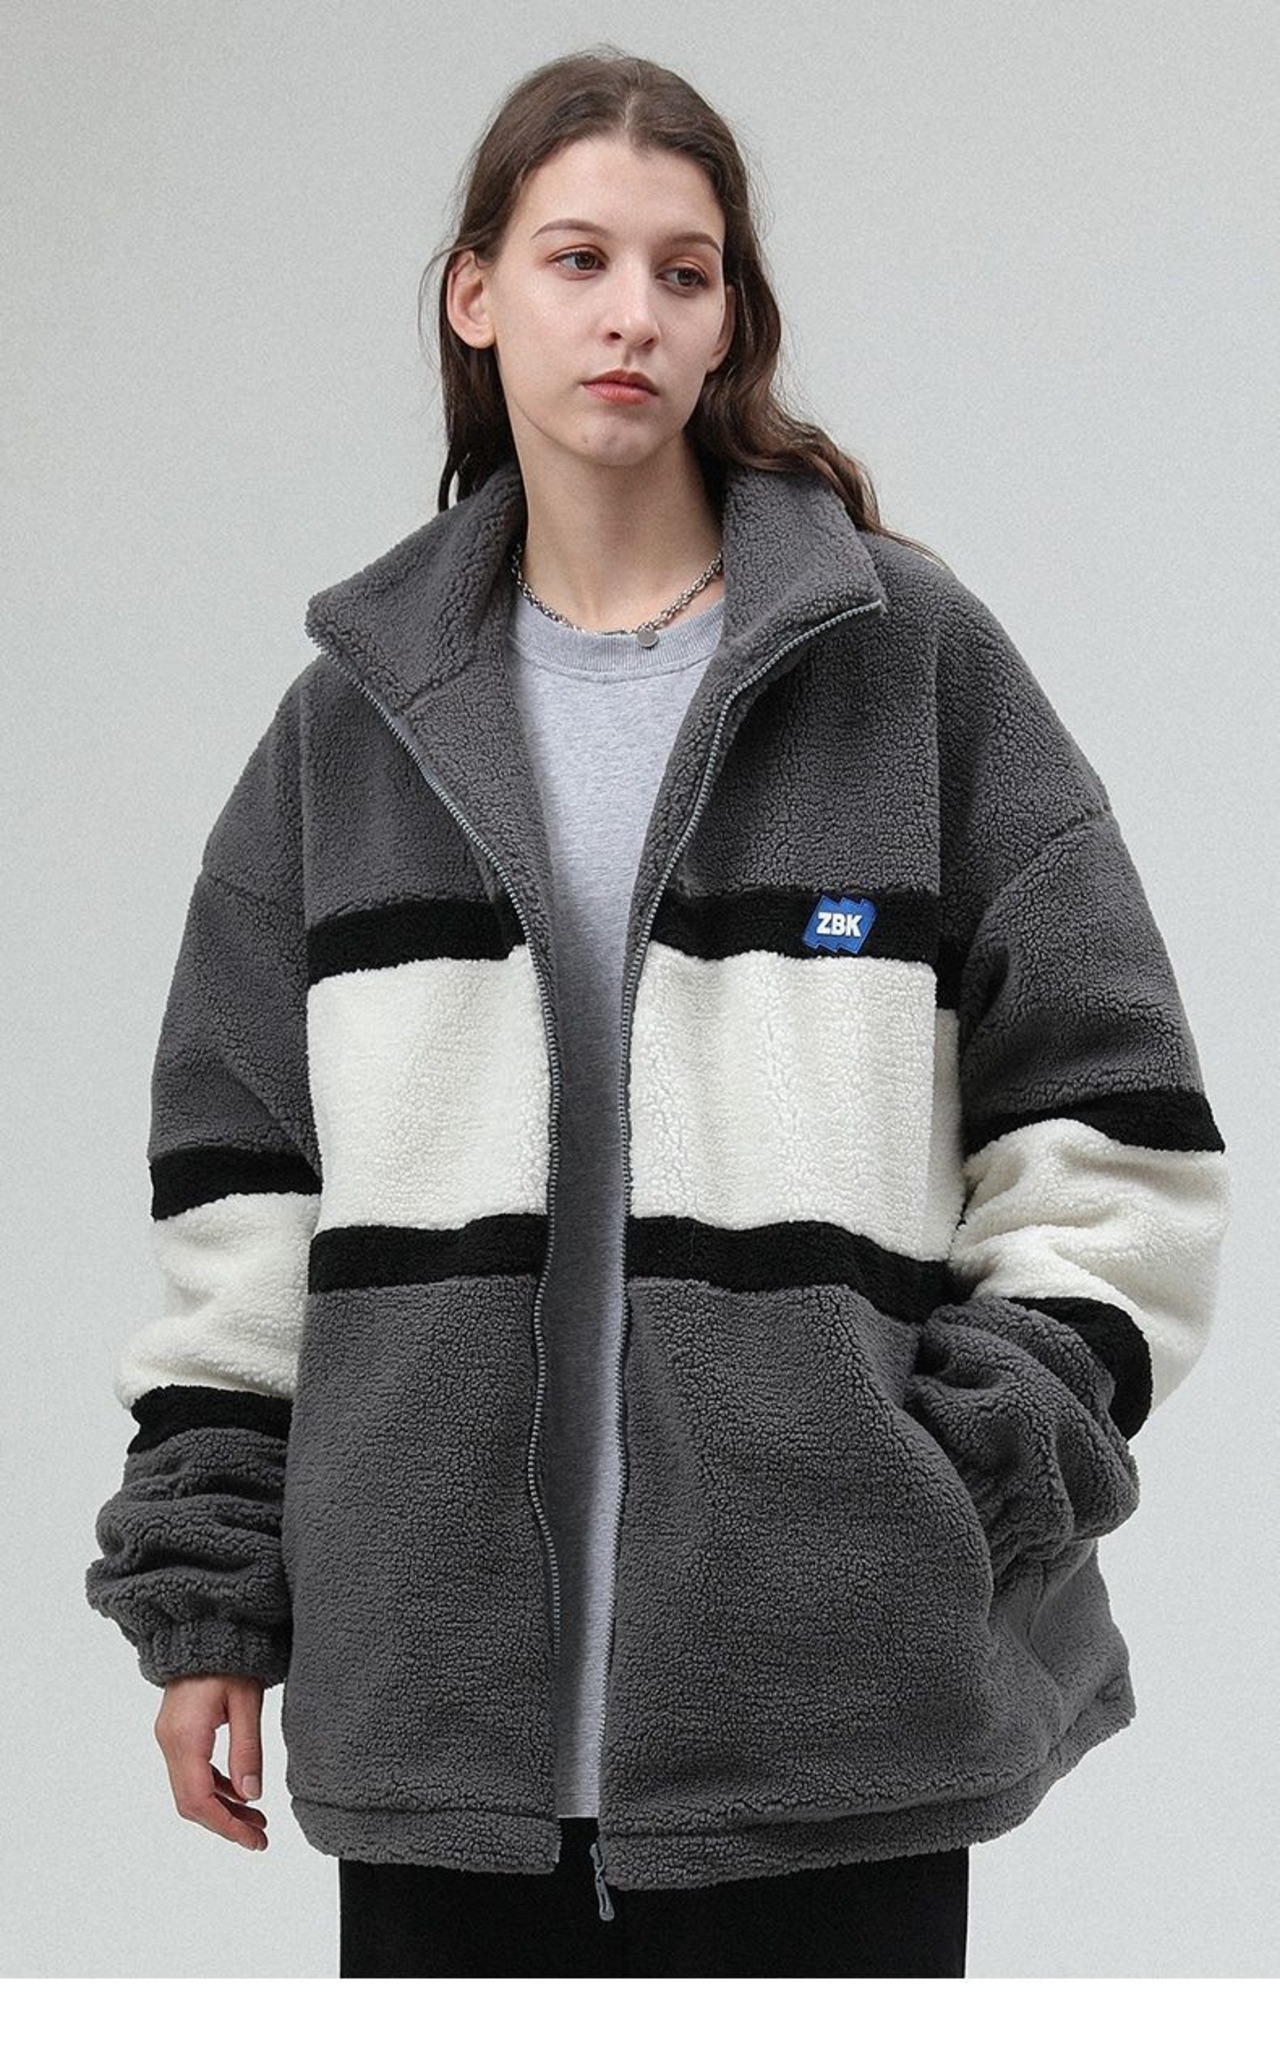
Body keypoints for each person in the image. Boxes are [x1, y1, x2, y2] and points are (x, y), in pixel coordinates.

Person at [84, 46, 1231, 1978]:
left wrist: (939, 1489)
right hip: (437, 1715)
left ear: (727, 322)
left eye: (683, 272)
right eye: (578, 259)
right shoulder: (348, 734)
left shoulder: (907, 666)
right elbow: (241, 1212)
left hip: (833, 1718)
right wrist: (211, 1601)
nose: (631, 313)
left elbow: (1116, 1130)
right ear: (476, 296)